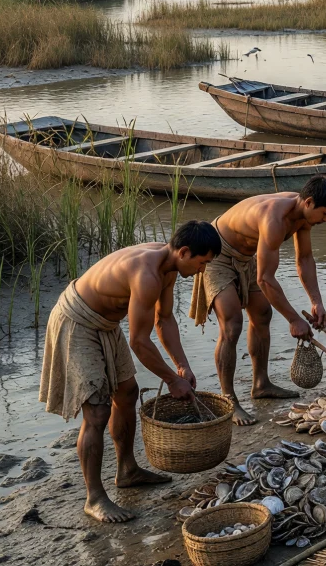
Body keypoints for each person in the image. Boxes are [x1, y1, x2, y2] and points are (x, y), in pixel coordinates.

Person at [39, 221, 222, 523]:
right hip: (77, 321)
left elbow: (163, 321)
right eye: (202, 263)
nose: (203, 270)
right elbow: (139, 341)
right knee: (96, 413)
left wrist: (182, 366)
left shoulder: (169, 268)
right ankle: (94, 498)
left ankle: (126, 470)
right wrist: (171, 380)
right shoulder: (146, 273)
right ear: (185, 251)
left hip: (106, 325)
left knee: (127, 393)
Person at [188, 175, 326, 425]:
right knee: (232, 323)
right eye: (325, 213)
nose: (325, 220)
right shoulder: (275, 218)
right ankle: (228, 398)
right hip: (218, 253)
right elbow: (265, 280)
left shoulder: (303, 217)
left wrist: (317, 302)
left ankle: (260, 384)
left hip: (247, 255)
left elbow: (304, 260)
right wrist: (294, 319)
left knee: (262, 314)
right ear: (310, 202)